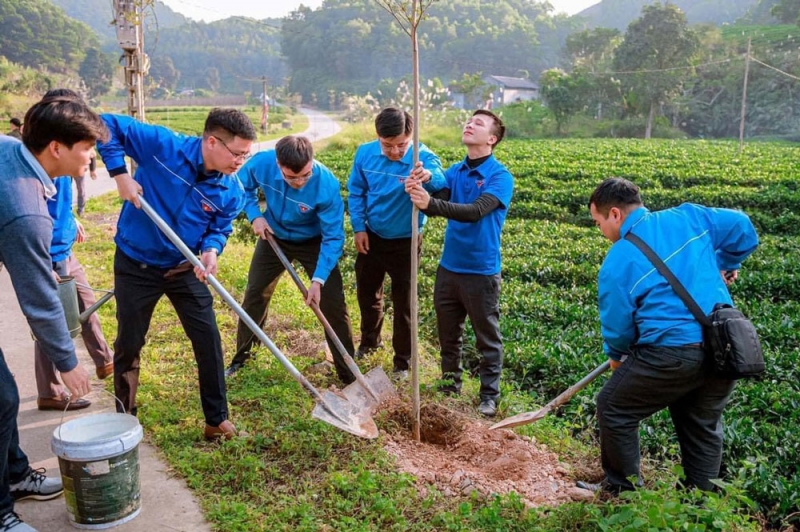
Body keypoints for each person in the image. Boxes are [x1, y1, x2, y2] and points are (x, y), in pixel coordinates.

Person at [580, 177, 759, 494]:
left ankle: (622, 491)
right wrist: (728, 263)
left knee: (613, 407)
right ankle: (699, 506)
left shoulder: (619, 258)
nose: (601, 231)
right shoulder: (689, 216)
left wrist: (618, 358)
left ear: (616, 215)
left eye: (598, 222)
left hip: (671, 354)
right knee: (701, 426)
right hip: (725, 347)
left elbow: (619, 326)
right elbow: (743, 227)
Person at [96, 108, 257, 440]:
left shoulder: (231, 190)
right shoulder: (162, 146)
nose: (240, 161)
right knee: (130, 341)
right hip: (135, 263)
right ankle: (124, 419)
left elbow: (220, 228)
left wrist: (212, 249)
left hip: (184, 268)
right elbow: (104, 124)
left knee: (208, 339)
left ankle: (216, 419)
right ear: (212, 141)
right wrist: (119, 173)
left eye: (246, 155)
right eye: (237, 153)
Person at [0, 94, 102, 532]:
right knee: (0, 398)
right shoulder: (25, 212)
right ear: (56, 148)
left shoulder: (11, 150)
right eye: (86, 147)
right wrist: (68, 361)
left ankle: (15, 474)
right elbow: (38, 296)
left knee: (2, 396)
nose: (92, 156)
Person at [406, 110, 514, 418]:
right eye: (468, 120)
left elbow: (476, 210)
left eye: (478, 123)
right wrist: (421, 185)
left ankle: (489, 396)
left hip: (481, 271)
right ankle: (450, 385)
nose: (469, 124)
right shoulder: (455, 171)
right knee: (448, 333)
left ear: (492, 139)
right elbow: (438, 194)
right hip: (449, 267)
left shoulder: (499, 176)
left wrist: (432, 204)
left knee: (487, 338)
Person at [225, 135, 357, 384]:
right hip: (273, 235)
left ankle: (349, 373)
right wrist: (255, 216)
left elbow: (333, 238)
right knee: (255, 295)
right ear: (278, 164)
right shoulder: (262, 163)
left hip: (314, 241)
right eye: (290, 177)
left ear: (311, 161)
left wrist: (318, 280)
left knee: (333, 304)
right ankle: (242, 361)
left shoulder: (326, 184)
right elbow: (240, 187)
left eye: (304, 175)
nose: (298, 182)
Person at [347, 107, 446, 379]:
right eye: (388, 145)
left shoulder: (421, 157)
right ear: (378, 137)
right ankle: (369, 342)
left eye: (401, 145)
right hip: (373, 234)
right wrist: (359, 228)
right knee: (368, 295)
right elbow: (356, 192)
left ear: (411, 137)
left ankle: (402, 361)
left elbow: (441, 178)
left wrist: (427, 176)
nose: (395, 152)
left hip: (407, 240)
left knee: (404, 303)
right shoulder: (365, 154)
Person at [34, 175, 114, 411]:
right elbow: (32, 218)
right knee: (51, 323)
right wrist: (42, 262)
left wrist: (71, 219)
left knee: (86, 302)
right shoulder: (42, 169)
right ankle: (50, 391)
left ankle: (105, 360)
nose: (92, 156)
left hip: (64, 248)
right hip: (49, 254)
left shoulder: (64, 168)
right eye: (88, 148)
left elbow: (60, 204)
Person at [73, 152, 97, 217]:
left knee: (81, 189)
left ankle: (81, 210)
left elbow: (92, 154)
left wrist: (92, 170)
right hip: (66, 168)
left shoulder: (83, 142)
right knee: (65, 189)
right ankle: (66, 211)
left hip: (79, 168)